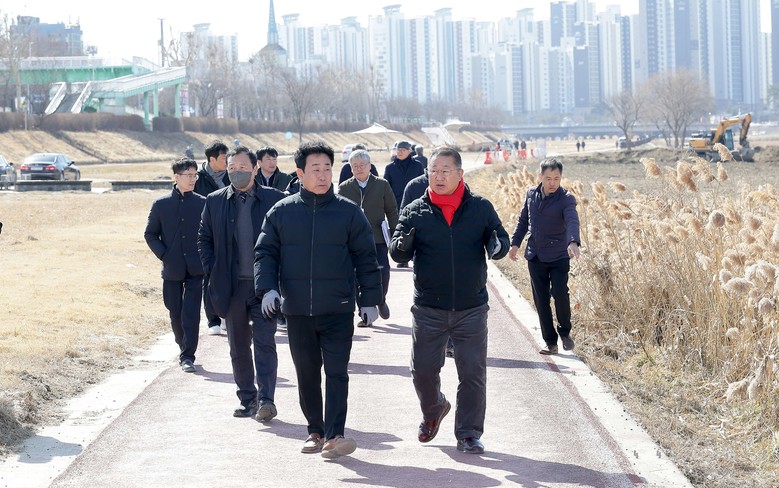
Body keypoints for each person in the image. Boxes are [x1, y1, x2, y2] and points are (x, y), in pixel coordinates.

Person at [254, 141, 382, 459]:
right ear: (300, 173)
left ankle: (335, 435)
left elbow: (366, 258)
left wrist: (370, 300)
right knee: (307, 374)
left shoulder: (349, 212)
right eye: (315, 169)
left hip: (338, 308)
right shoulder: (281, 212)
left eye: (327, 169)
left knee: (337, 372)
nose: (323, 175)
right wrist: (268, 288)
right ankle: (315, 431)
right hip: (297, 310)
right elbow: (265, 253)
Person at [389, 146, 510, 455]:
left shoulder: (480, 208)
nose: (439, 176)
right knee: (422, 371)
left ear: (460, 174)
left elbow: (501, 238)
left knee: (472, 373)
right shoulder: (415, 210)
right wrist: (400, 246)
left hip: (471, 307)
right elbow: (397, 249)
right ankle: (434, 409)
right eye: (434, 171)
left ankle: (468, 433)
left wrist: (497, 245)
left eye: (445, 171)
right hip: (429, 307)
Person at [198, 145, 285, 420]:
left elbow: (287, 240)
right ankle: (248, 398)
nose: (237, 172)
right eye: (232, 168)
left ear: (255, 168)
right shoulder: (214, 201)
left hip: (264, 286)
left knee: (264, 343)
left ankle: (267, 400)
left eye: (243, 167)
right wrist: (212, 269)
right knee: (238, 347)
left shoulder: (275, 199)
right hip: (231, 286)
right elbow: (204, 238)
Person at [508, 158, 581, 355]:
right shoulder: (531, 194)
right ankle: (550, 342)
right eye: (548, 178)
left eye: (556, 178)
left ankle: (565, 332)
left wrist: (573, 241)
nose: (552, 183)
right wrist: (515, 244)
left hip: (558, 255)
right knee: (541, 300)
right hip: (535, 255)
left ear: (561, 178)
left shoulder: (566, 198)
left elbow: (572, 220)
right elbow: (523, 221)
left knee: (560, 293)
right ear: (540, 176)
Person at [144, 157, 206, 373]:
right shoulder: (161, 205)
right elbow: (150, 234)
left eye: (195, 175)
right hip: (172, 268)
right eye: (188, 175)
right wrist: (165, 254)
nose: (192, 179)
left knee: (191, 313)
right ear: (176, 177)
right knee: (175, 311)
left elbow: (211, 234)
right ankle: (183, 345)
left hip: (196, 268)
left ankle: (188, 355)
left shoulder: (203, 203)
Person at [338, 149, 399, 324]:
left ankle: (380, 299)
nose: (359, 168)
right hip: (354, 240)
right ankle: (365, 314)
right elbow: (339, 215)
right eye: (354, 166)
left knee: (383, 272)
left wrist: (395, 234)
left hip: (378, 238)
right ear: (350, 168)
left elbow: (392, 211)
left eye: (362, 165)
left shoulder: (382, 184)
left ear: (369, 166)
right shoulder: (344, 188)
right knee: (358, 277)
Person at [194, 140, 231, 335]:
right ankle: (213, 320)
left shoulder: (232, 176)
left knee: (230, 274)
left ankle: (227, 314)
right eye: (224, 158)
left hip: (229, 232)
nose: (227, 161)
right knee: (208, 276)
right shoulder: (198, 179)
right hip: (207, 234)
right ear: (212, 159)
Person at [384, 140, 424, 268]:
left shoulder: (417, 166)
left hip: (415, 203)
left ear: (409, 151)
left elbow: (423, 183)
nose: (400, 152)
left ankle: (417, 256)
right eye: (398, 150)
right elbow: (386, 187)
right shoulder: (390, 168)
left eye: (403, 150)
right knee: (400, 231)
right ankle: (402, 258)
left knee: (416, 231)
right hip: (396, 205)